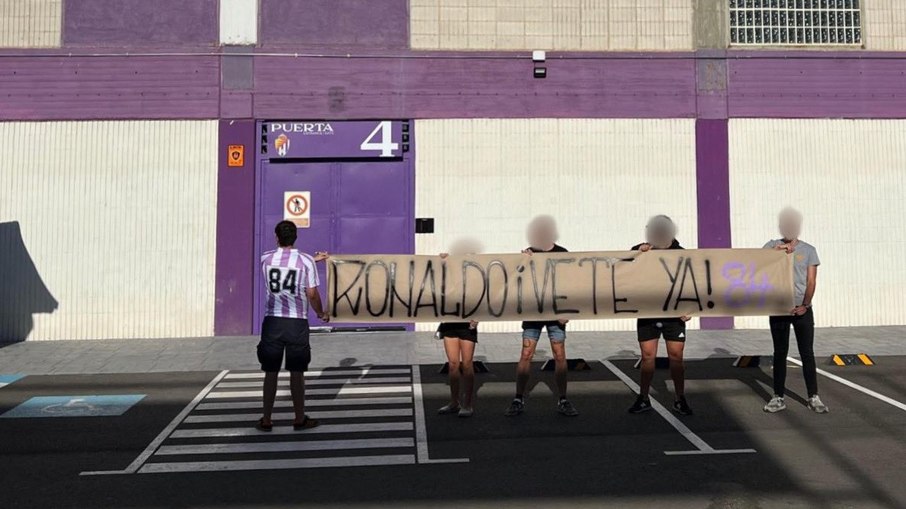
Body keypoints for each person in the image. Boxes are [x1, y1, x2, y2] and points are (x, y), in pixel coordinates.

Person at [256, 220, 330, 432]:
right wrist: (320, 313)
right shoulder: (306, 261)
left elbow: (286, 263)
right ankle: (299, 417)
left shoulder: (265, 258)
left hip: (273, 321)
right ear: (296, 237)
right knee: (297, 371)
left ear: (276, 237)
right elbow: (312, 293)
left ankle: (267, 418)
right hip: (297, 321)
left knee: (270, 371)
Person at [505, 215, 579, 417]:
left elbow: (570, 283)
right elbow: (517, 279)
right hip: (533, 311)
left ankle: (563, 399)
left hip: (555, 313)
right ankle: (518, 398)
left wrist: (566, 311)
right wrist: (522, 261)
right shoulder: (530, 253)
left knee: (560, 355)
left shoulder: (562, 253)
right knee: (526, 354)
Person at [763, 207, 827, 414]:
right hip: (779, 307)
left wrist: (805, 305)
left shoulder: (808, 250)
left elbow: (811, 280)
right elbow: (755, 262)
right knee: (780, 353)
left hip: (802, 308)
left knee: (806, 352)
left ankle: (813, 396)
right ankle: (778, 397)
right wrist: (776, 253)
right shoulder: (772, 246)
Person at [628, 215, 693, 416]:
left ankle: (679, 398)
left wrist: (689, 309)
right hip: (648, 312)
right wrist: (639, 253)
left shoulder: (682, 254)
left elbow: (693, 282)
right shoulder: (642, 250)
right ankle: (644, 397)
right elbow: (623, 268)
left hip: (674, 315)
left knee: (676, 357)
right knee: (648, 357)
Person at [436, 238, 483, 418]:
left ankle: (468, 403)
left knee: (467, 364)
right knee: (453, 364)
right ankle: (454, 402)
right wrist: (441, 261)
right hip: (450, 322)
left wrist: (477, 317)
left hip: (467, 323)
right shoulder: (450, 273)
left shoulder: (475, 277)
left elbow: (482, 296)